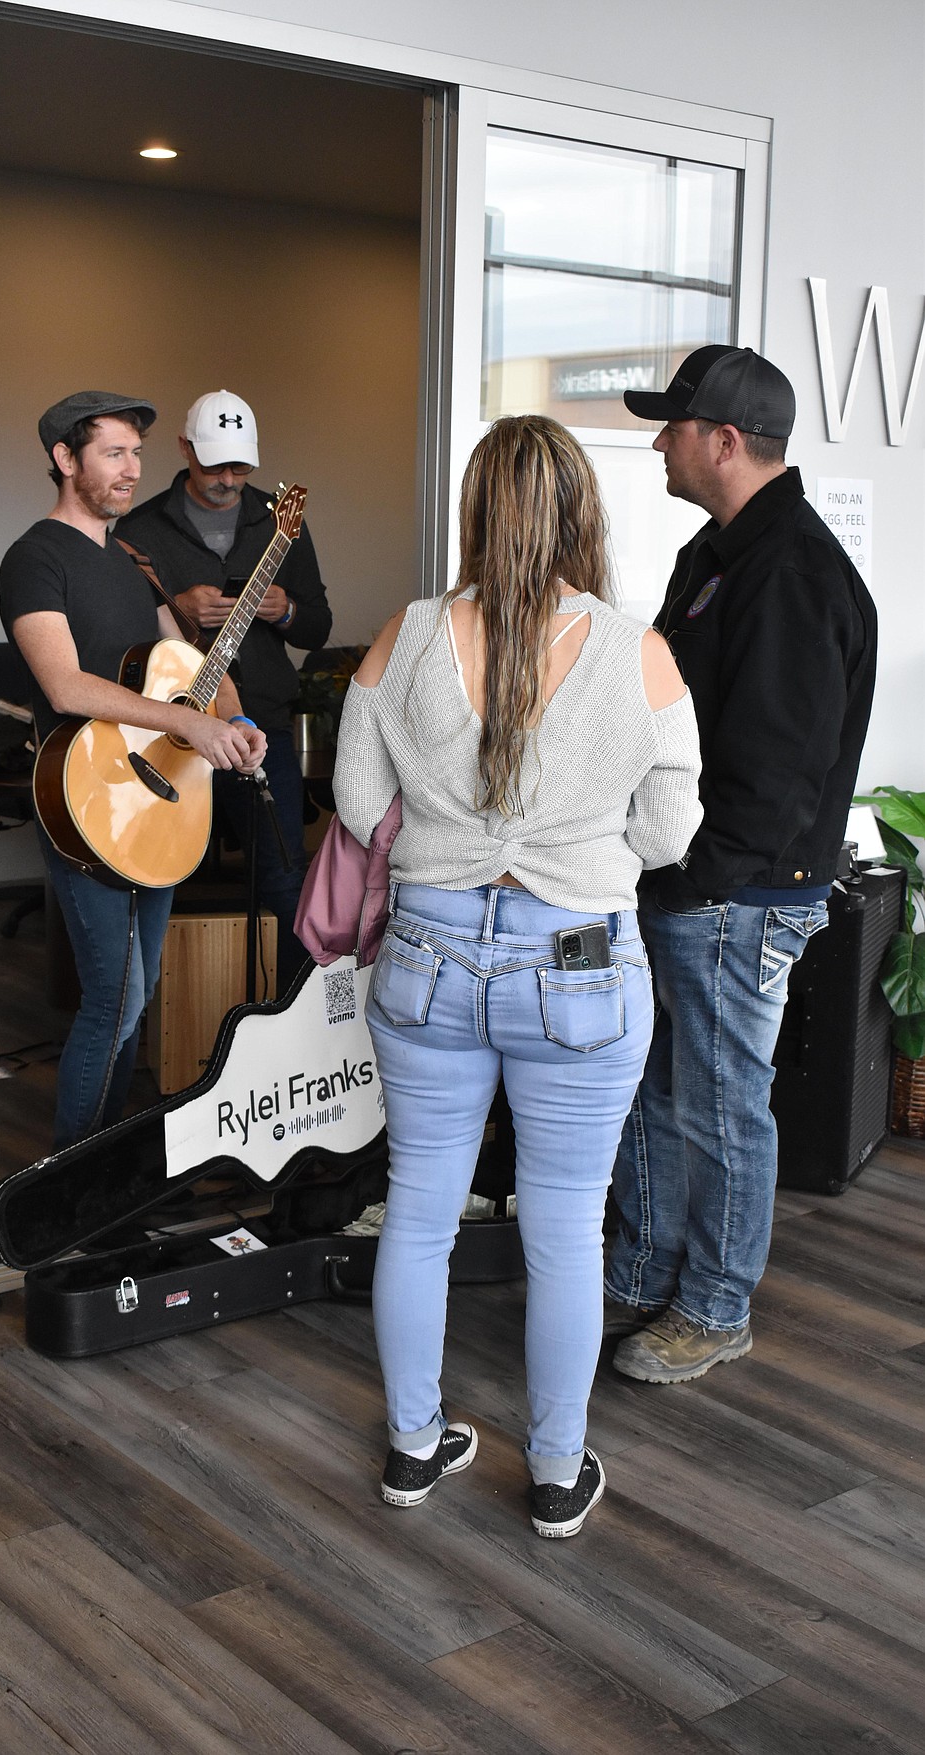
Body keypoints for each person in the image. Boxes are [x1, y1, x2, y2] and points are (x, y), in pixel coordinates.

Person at [332, 415, 702, 1537]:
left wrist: (452, 833)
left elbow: (354, 807)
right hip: (579, 967)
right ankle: (553, 1472)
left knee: (421, 1213)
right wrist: (576, 853)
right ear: (581, 510)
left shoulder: (402, 638)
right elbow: (672, 833)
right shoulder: (640, 650)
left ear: (475, 512)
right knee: (567, 1229)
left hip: (429, 958)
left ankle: (411, 1448)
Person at [605, 345, 878, 1383]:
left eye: (672, 427)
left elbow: (776, 776)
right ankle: (646, 1270)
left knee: (720, 1101)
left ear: (724, 440)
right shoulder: (713, 556)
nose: (660, 443)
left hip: (739, 897)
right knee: (662, 1091)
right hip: (691, 886)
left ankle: (716, 1309)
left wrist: (689, 881)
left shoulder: (796, 573)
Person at [0, 391, 266, 1149]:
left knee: (136, 998)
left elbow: (187, 666)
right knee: (113, 1002)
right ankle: (69, 1185)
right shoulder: (35, 558)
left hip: (154, 801)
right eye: (113, 452)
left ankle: (106, 1164)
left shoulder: (129, 560)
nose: (131, 469)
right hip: (85, 803)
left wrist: (231, 719)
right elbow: (66, 685)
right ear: (65, 460)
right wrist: (186, 721)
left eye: (137, 454)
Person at [117, 389, 332, 995]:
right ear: (185, 449)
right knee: (152, 874)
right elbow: (114, 639)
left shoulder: (281, 520)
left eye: (241, 467)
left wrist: (286, 609)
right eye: (215, 466)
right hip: (166, 728)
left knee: (284, 878)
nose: (228, 480)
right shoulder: (139, 528)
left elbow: (318, 626)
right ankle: (161, 1013)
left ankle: (294, 1017)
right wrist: (171, 609)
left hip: (258, 726)